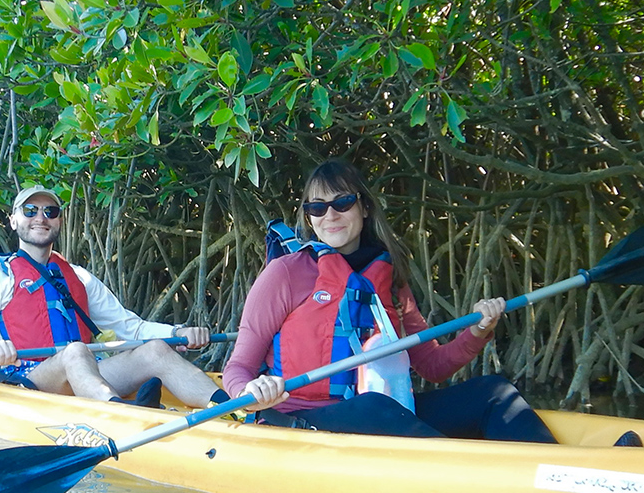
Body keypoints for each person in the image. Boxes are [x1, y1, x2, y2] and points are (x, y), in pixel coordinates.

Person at [223, 160, 557, 442]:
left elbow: (432, 366)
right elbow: (238, 368)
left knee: (494, 392)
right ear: (308, 217)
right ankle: (472, 475)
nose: (330, 215)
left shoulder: (387, 278)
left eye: (342, 203)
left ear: (364, 207)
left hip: (383, 414)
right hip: (298, 422)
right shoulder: (285, 273)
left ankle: (557, 472)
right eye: (317, 207)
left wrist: (480, 331)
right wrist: (250, 394)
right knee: (374, 407)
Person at [0, 185, 282, 411]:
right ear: (13, 220)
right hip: (30, 382)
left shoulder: (78, 277)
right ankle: (121, 414)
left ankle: (230, 407)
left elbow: (131, 329)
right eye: (30, 210)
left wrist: (175, 333)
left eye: (50, 211)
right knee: (75, 352)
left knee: (153, 349)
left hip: (86, 377)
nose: (41, 217)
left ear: (60, 221)